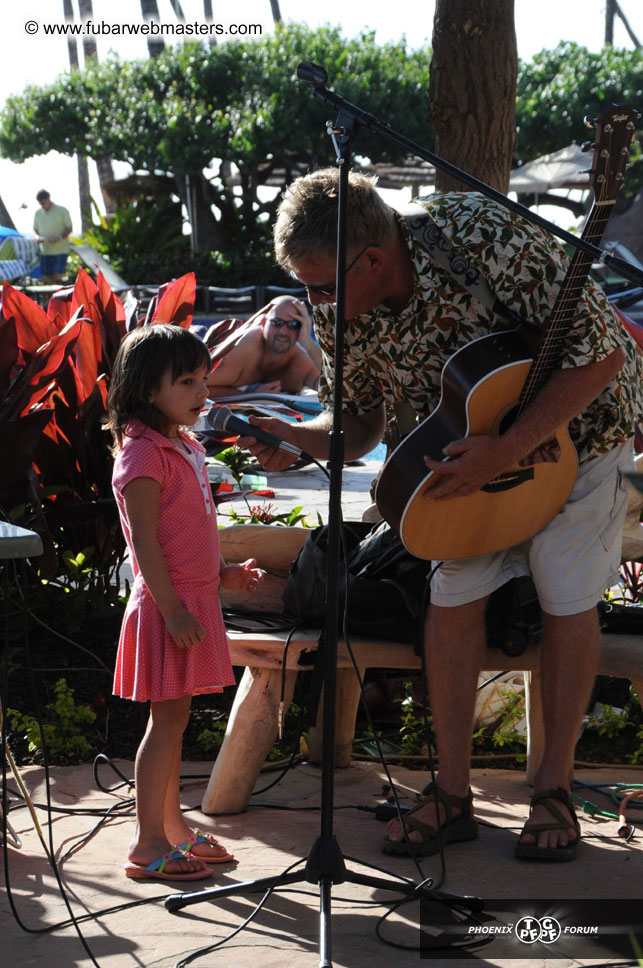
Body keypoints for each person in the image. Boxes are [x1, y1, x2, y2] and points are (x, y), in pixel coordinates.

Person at [238, 168, 643, 862]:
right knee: (452, 592)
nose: (313, 304)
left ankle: (551, 790)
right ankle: (450, 793)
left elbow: (602, 356)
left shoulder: (481, 236)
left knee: (563, 589)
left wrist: (508, 447)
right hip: (466, 450)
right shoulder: (340, 308)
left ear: (372, 258)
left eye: (323, 287)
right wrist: (294, 443)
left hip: (582, 431)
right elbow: (358, 424)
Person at [107, 324, 264, 882]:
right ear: (148, 389)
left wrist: (222, 575)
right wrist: (173, 610)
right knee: (165, 722)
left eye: (204, 379)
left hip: (190, 601)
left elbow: (184, 535)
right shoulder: (143, 455)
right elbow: (145, 542)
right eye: (187, 381)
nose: (202, 392)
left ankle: (173, 830)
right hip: (165, 609)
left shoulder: (181, 445)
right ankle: (148, 843)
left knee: (175, 720)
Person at [206, 294, 321, 397]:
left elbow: (335, 385)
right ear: (263, 323)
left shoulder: (300, 362)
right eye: (277, 322)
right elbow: (195, 389)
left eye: (293, 325)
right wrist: (251, 395)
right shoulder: (242, 349)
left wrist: (308, 342)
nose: (283, 332)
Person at [32, 189, 73, 282]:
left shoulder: (62, 210)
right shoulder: (38, 213)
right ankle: (48, 297)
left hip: (60, 250)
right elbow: (35, 229)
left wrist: (59, 238)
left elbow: (69, 228)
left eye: (44, 202)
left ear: (48, 198)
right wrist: (37, 237)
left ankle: (57, 296)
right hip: (45, 251)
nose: (42, 204)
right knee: (45, 278)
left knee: (57, 278)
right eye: (40, 203)